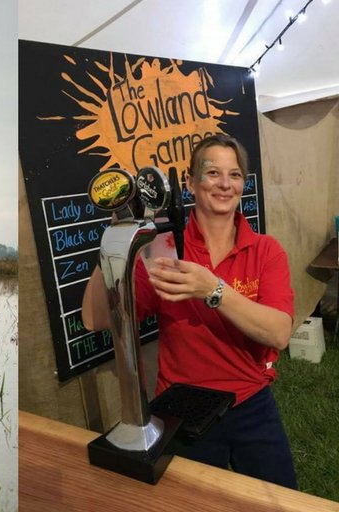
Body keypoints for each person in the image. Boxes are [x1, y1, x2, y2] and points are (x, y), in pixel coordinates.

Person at [82, 134, 297, 488]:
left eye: (235, 175)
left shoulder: (265, 250)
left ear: (243, 183)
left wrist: (211, 290)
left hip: (250, 401)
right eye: (213, 173)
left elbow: (278, 333)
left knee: (279, 498)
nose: (225, 184)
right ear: (190, 183)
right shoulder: (161, 251)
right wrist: (118, 235)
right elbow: (95, 318)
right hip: (180, 406)